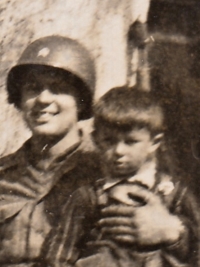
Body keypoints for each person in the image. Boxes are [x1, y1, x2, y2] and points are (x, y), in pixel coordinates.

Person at [71, 86, 200, 267]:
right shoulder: (88, 196)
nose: (119, 151)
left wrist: (174, 236)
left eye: (131, 141)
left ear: (154, 143)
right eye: (109, 141)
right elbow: (60, 254)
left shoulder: (175, 194)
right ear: (95, 139)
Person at [0, 35, 100, 267]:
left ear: (81, 101)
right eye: (33, 89)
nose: (43, 99)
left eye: (58, 88)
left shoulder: (104, 171)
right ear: (19, 100)